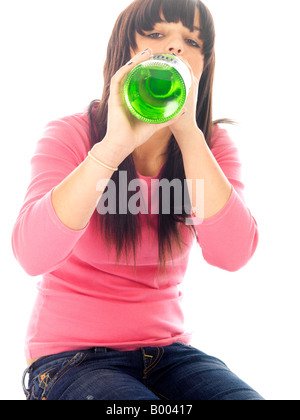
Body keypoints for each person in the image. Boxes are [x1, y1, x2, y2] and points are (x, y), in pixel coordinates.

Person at [13, 0, 263, 400]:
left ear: (204, 63)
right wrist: (113, 146)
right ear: (125, 52)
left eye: (191, 41)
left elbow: (231, 254)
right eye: (156, 34)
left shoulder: (211, 146)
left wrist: (189, 135)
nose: (176, 47)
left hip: (171, 355)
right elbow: (31, 254)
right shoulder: (71, 135)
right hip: (72, 359)